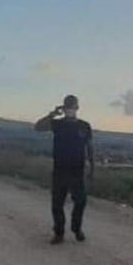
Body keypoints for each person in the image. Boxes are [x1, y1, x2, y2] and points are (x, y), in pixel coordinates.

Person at [34, 95, 94, 244]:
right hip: (60, 170)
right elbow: (38, 127)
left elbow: (90, 147)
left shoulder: (84, 126)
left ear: (77, 108)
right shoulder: (57, 124)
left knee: (80, 202)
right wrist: (52, 114)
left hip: (77, 171)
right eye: (67, 107)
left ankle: (76, 228)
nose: (70, 110)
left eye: (72, 107)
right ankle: (59, 233)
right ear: (63, 108)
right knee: (57, 204)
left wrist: (92, 167)